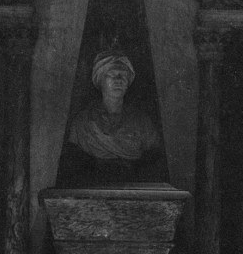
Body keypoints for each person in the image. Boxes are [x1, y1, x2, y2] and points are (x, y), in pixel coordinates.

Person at [58, 48, 164, 186]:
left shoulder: (143, 122)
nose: (118, 80)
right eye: (112, 74)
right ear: (100, 80)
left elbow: (153, 156)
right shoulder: (82, 122)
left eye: (123, 75)